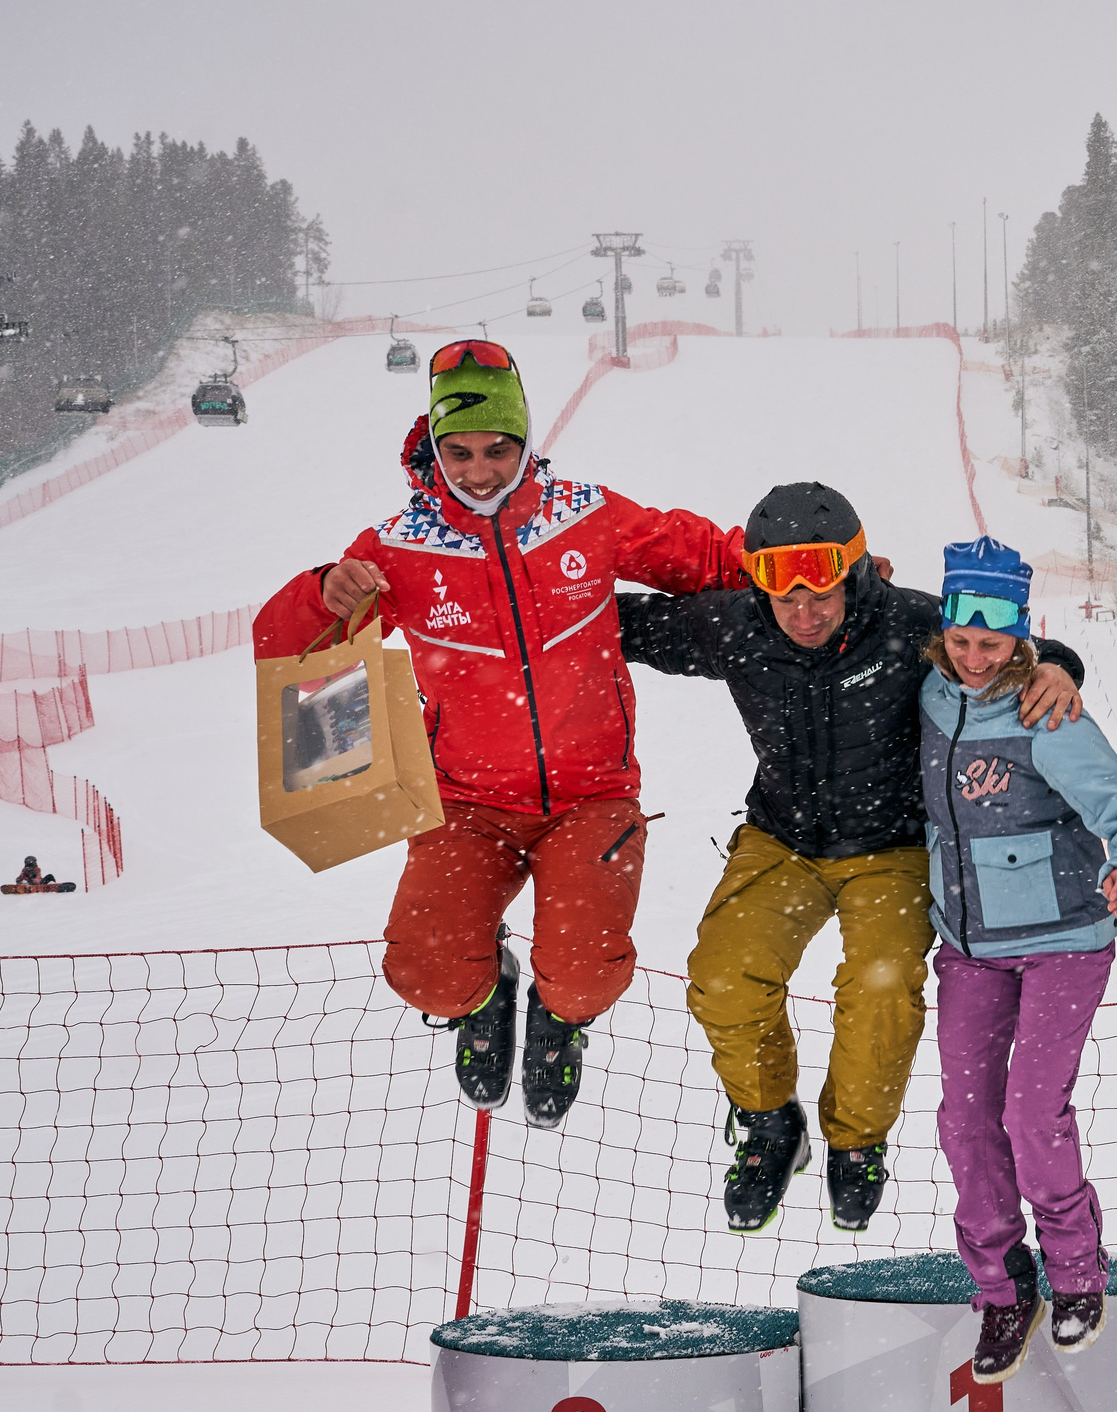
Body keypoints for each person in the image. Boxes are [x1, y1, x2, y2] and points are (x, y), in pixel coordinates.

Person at [253, 338, 747, 1130]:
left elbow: (707, 555)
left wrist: (816, 574)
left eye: (497, 449)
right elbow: (287, 651)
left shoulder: (585, 517)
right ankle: (487, 995)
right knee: (428, 973)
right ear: (434, 446)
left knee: (585, 976)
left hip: (591, 796)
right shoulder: (396, 549)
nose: (480, 470)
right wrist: (322, 594)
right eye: (460, 452)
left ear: (525, 440)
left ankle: (559, 1020)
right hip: (465, 806)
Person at [615, 484, 1089, 1235]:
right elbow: (618, 624)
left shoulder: (906, 623)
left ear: (855, 571)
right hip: (784, 839)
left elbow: (996, 636)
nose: (804, 614)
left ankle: (856, 1141)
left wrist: (1059, 663)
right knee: (722, 975)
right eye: (785, 597)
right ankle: (770, 1123)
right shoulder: (739, 626)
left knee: (882, 982)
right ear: (760, 586)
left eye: (821, 592)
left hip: (889, 845)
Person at [920, 538, 1117, 1382]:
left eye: (992, 644)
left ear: (1021, 639)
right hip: (970, 946)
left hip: (1065, 939)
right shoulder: (928, 694)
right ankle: (1000, 1289)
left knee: (1031, 1115)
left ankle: (1074, 1273)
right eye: (961, 640)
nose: (974, 657)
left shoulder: (1045, 714)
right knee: (965, 1123)